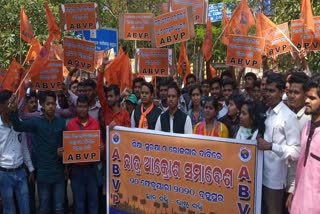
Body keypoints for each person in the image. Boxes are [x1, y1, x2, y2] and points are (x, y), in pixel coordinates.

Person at [9, 91, 66, 214]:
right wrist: (13, 111)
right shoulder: (36, 122)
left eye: (53, 103)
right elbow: (18, 126)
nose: (51, 106)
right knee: (44, 207)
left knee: (59, 207)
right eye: (48, 104)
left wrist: (65, 151)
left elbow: (69, 145)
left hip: (59, 172)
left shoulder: (61, 122)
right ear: (42, 105)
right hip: (43, 173)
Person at [257, 73, 300, 214]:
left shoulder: (288, 116)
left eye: (272, 91)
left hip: (274, 180)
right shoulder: (268, 112)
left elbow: (296, 151)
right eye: (266, 90)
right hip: (259, 175)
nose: (267, 94)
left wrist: (271, 146)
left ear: (282, 92)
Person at [62, 95, 103, 214]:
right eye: (79, 106)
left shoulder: (95, 124)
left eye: (84, 107)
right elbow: (68, 146)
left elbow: (100, 143)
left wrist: (101, 147)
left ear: (87, 108)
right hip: (76, 170)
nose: (82, 109)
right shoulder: (70, 125)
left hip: (92, 169)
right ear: (76, 108)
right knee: (79, 203)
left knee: (93, 202)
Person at [0, 90, 34, 214]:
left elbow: (24, 147)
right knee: (9, 209)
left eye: (14, 102)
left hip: (21, 172)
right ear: (2, 106)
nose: (13, 106)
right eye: (10, 103)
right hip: (4, 174)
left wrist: (30, 169)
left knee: (25, 207)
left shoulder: (20, 124)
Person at [289, 81, 320, 213]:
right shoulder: (306, 127)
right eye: (306, 96)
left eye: (312, 98)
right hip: (299, 201)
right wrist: (293, 192)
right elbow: (301, 166)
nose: (306, 100)